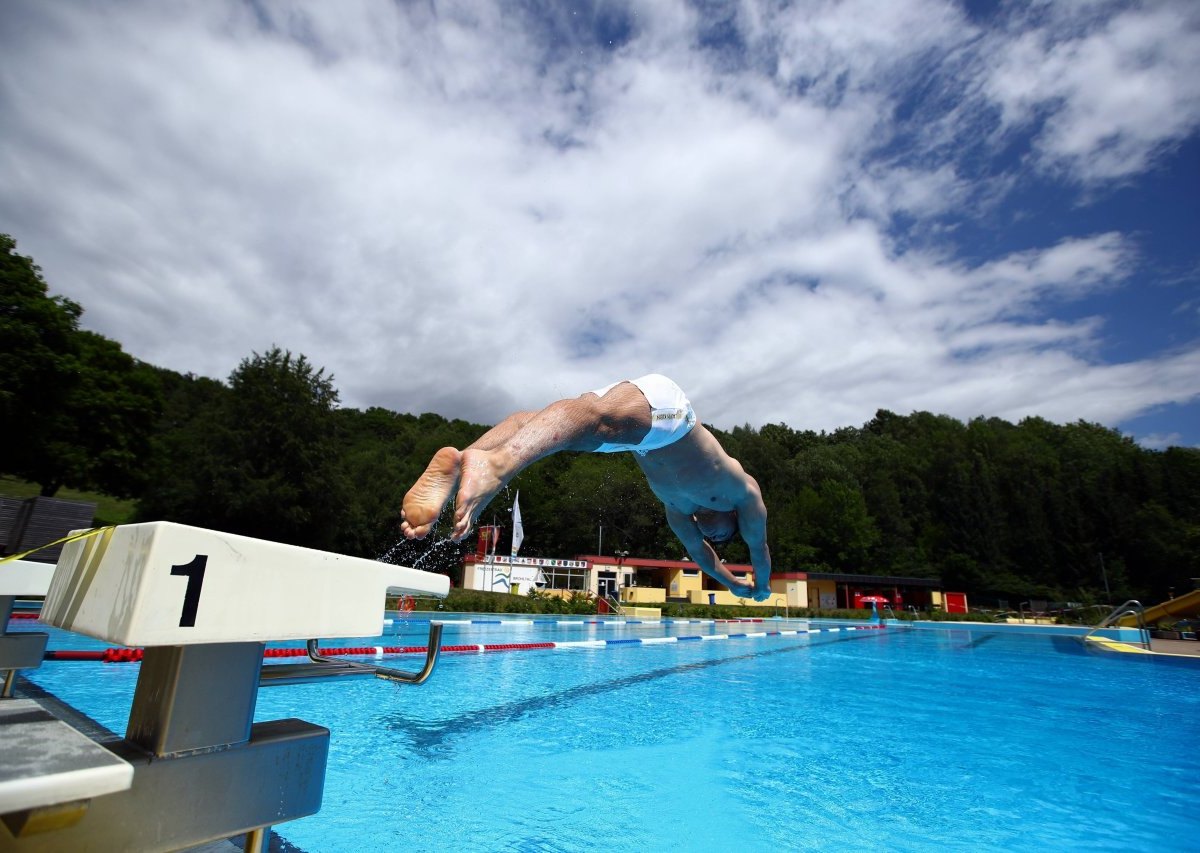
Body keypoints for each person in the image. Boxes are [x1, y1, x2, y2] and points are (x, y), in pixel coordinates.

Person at [400, 374, 772, 601]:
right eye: (722, 536)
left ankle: (464, 463)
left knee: (537, 425)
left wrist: (732, 583)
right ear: (733, 516)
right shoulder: (742, 492)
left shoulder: (677, 510)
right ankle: (495, 467)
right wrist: (762, 584)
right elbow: (759, 545)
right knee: (593, 418)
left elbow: (701, 554)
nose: (714, 538)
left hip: (640, 439)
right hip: (671, 415)